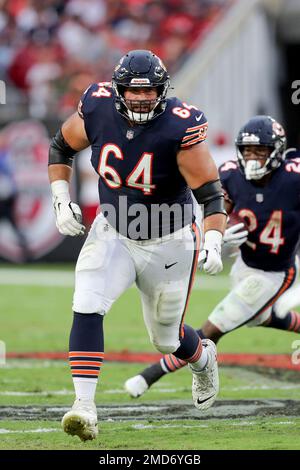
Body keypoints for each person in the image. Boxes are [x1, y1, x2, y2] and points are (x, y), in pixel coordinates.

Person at [48, 50, 227, 441]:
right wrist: (61, 198)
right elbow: (61, 146)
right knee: (87, 302)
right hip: (113, 230)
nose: (143, 98)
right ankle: (84, 406)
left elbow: (211, 194)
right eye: (134, 90)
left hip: (170, 240)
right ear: (119, 89)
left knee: (166, 338)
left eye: (150, 92)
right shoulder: (96, 105)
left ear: (163, 91)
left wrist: (213, 237)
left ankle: (203, 358)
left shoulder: (180, 124)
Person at [125, 115, 300, 399]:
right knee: (261, 317)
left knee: (214, 326)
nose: (252, 158)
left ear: (277, 151)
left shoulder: (293, 178)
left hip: (276, 272)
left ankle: (149, 376)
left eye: (260, 151)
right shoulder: (231, 174)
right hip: (246, 264)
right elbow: (220, 209)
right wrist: (222, 231)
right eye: (247, 151)